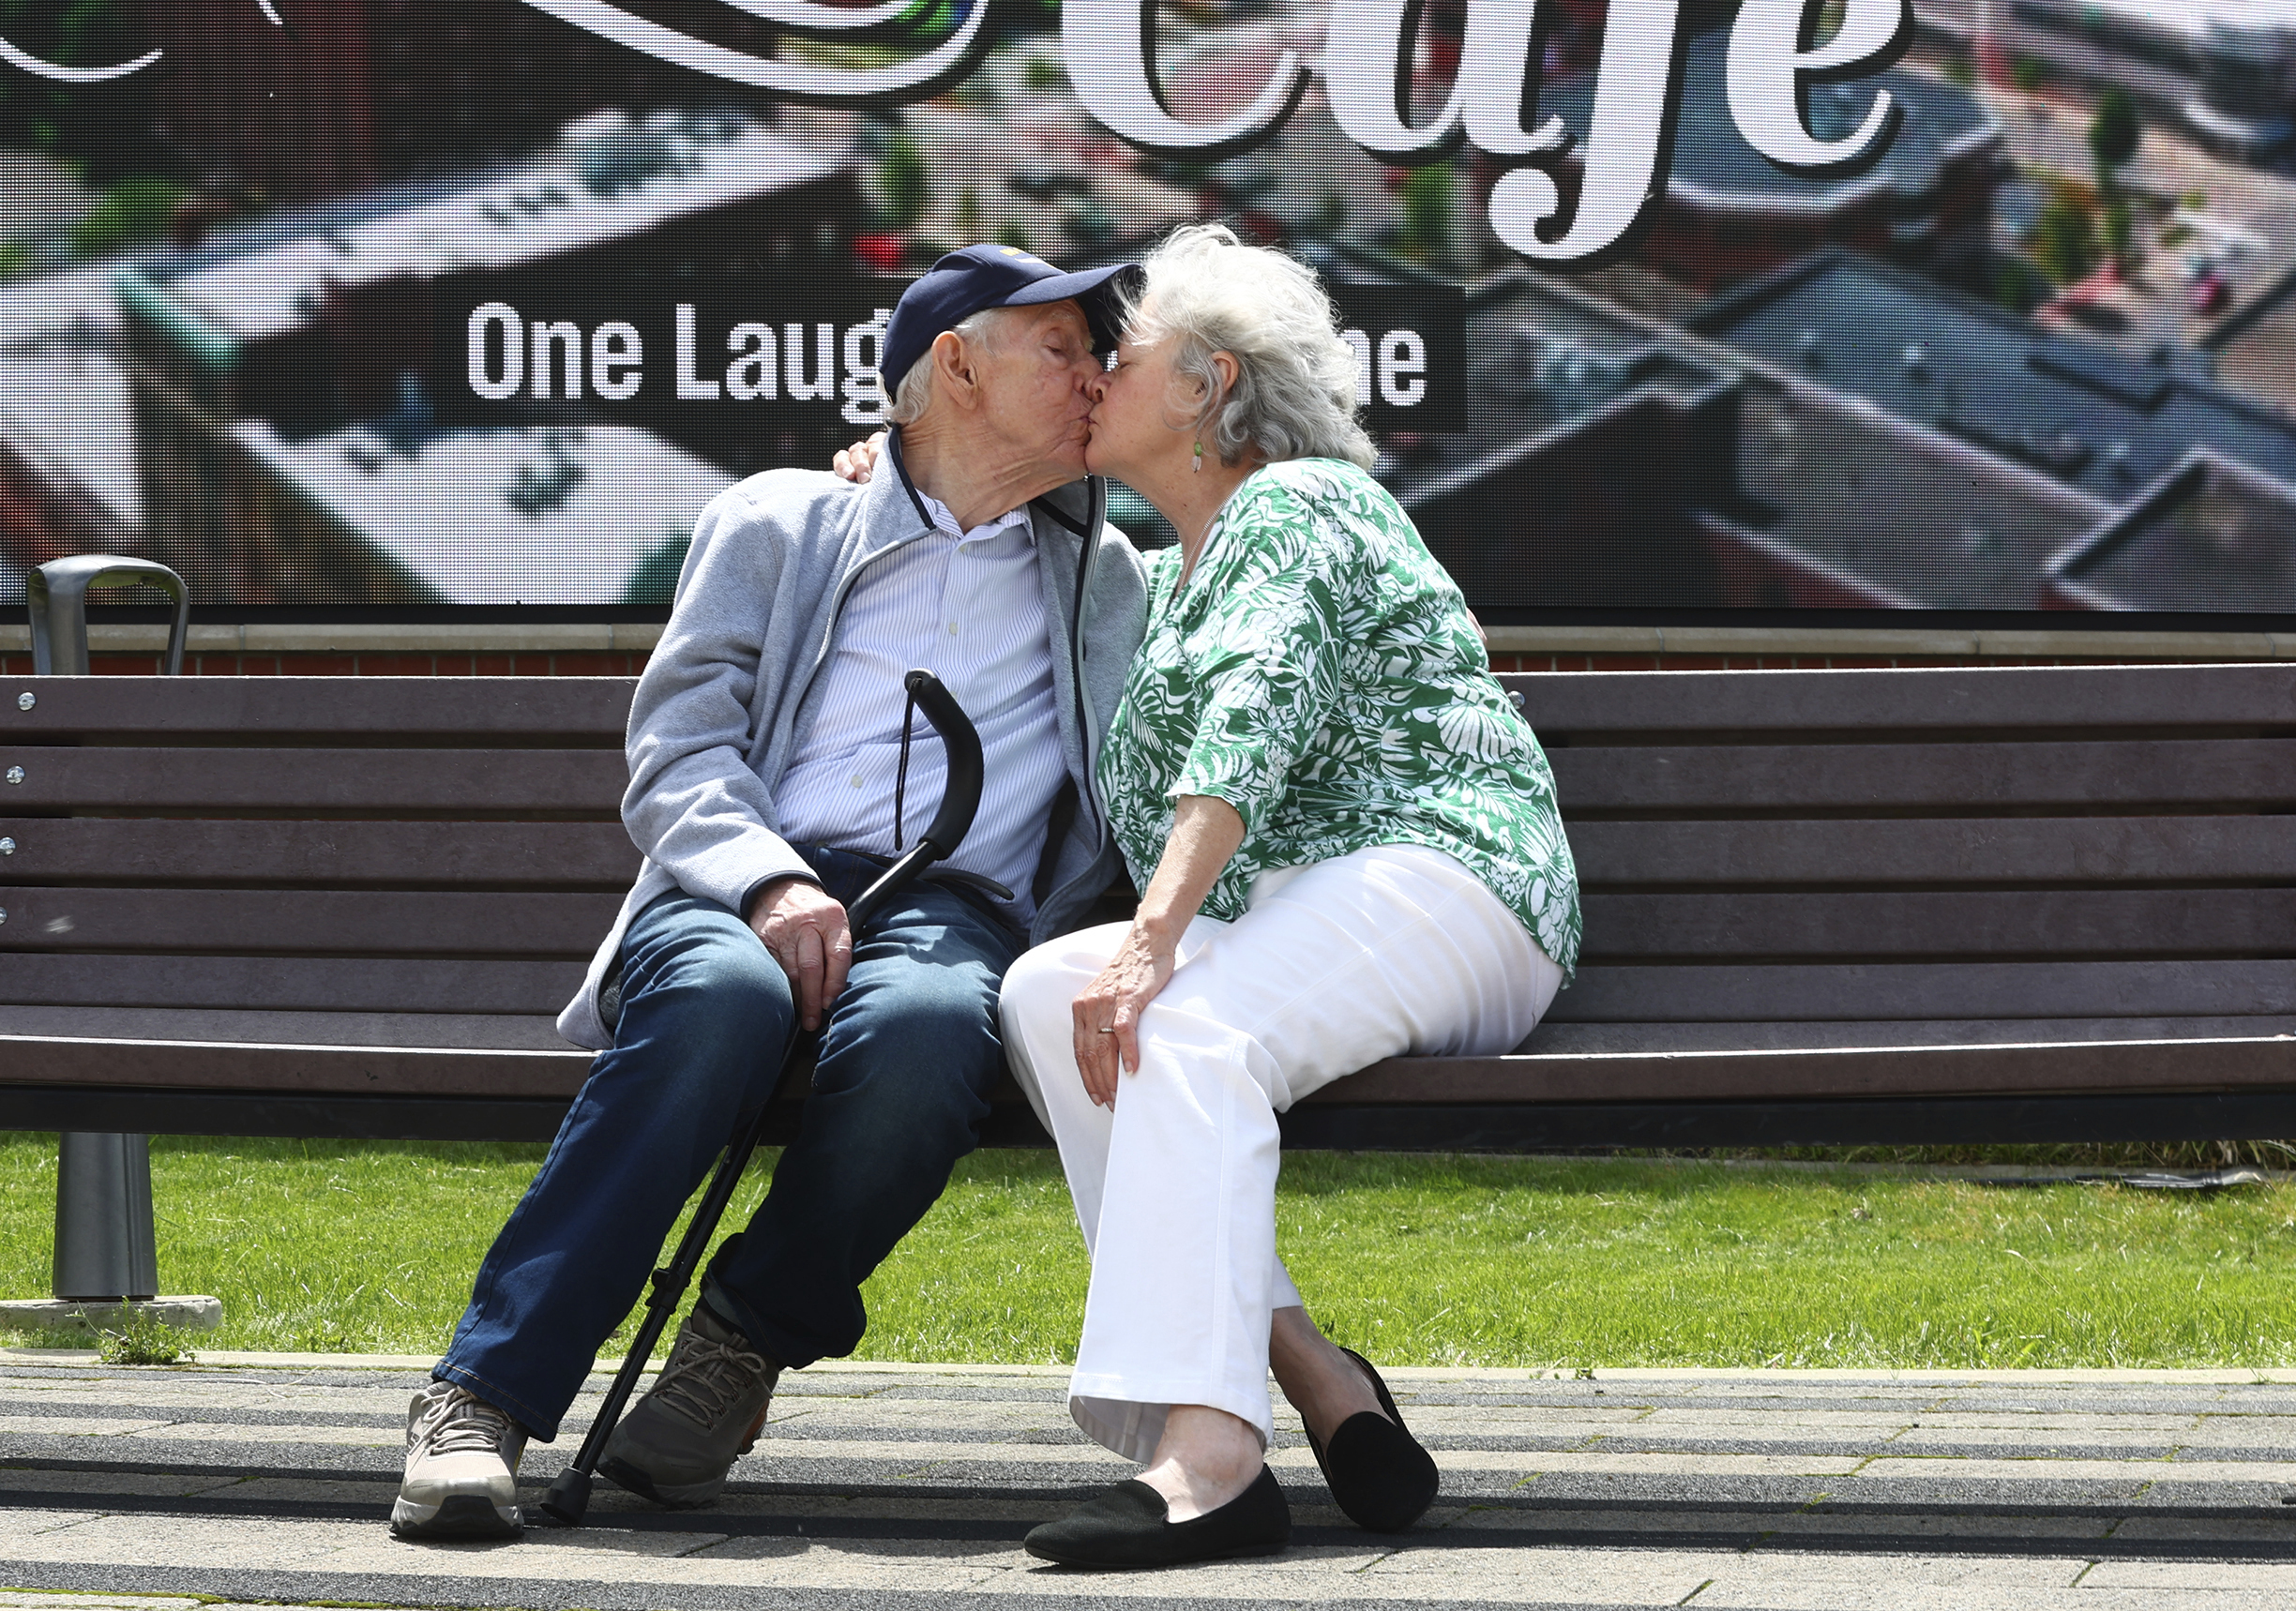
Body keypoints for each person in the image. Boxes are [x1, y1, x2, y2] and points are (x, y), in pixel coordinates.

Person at [392, 244, 1149, 1542]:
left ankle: (737, 1345)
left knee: (925, 1033)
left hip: (953, 908)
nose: (1099, 375)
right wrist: (771, 884)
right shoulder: (782, 520)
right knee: (719, 1008)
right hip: (746, 881)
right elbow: (679, 750)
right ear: (956, 366)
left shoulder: (1107, 575)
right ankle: (483, 1399)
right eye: (1066, 348)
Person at [1005, 224, 1578, 1571]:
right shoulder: (1173, 575)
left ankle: (1210, 1462)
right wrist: (888, 466)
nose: (1091, 375)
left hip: (1453, 878)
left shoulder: (1303, 504)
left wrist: (1151, 942)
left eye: (1120, 355)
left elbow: (1255, 715)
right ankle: (1318, 1376)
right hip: (1311, 911)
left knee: (1185, 1029)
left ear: (1209, 383)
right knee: (1043, 994)